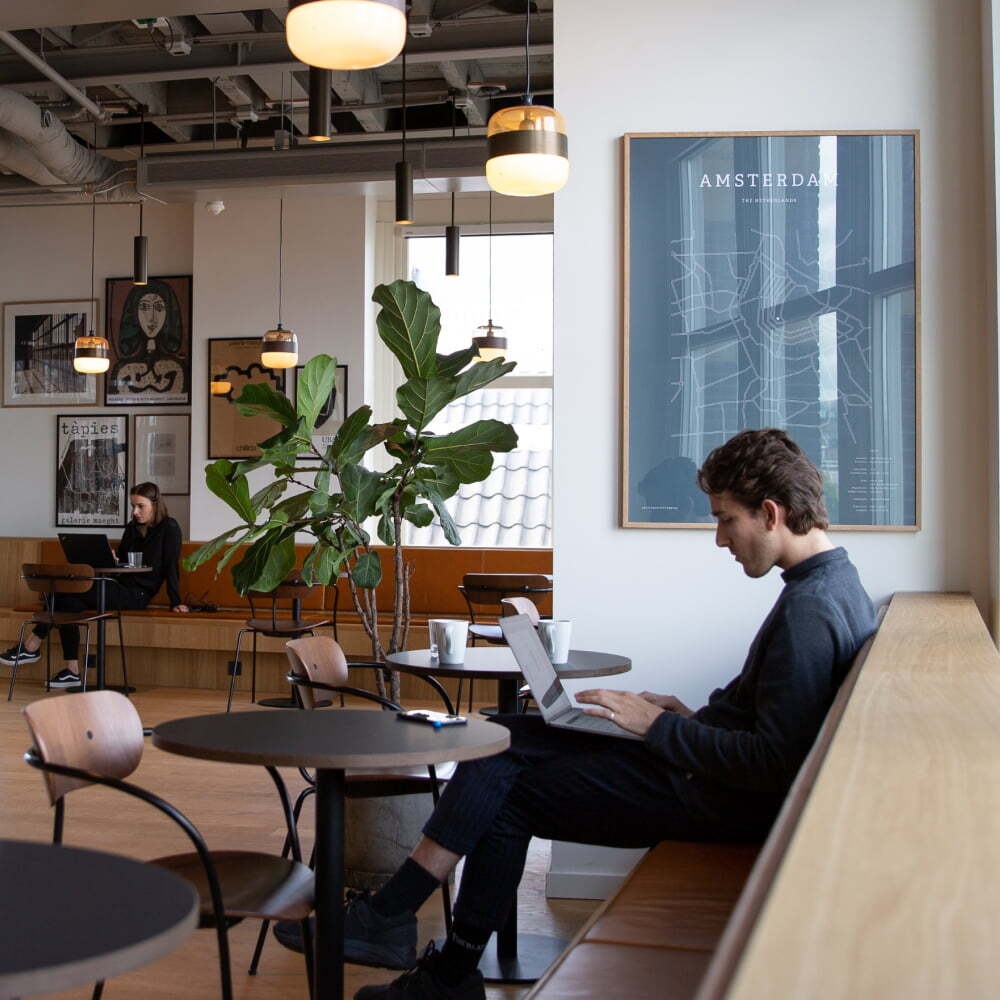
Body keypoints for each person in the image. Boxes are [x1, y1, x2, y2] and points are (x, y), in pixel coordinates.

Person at [283, 428, 876, 1000]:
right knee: (497, 736)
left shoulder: (810, 611)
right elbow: (772, 725)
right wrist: (684, 715)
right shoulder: (831, 584)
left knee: (505, 790)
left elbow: (775, 763)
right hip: (701, 771)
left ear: (770, 513)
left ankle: (411, 937)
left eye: (726, 518)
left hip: (712, 797)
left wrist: (657, 727)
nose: (720, 538)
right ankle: (411, 938)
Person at [0, 482, 189, 687]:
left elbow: (171, 565)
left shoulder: (169, 528)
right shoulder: (132, 527)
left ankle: (31, 645)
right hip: (116, 585)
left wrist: (175, 601)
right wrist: (112, 559)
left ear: (155, 504)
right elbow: (123, 560)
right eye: (133, 506)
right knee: (67, 599)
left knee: (68, 593)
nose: (135, 511)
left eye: (140, 506)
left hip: (138, 594)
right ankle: (71, 671)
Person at [108, 278, 187, 399]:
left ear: (168, 313)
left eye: (159, 308)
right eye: (144, 308)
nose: (152, 318)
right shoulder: (122, 370)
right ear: (134, 313)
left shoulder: (177, 369)